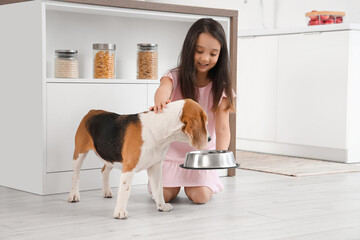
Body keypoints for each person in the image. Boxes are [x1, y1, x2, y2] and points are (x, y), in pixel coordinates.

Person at [150, 18, 235, 204]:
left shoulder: (221, 88)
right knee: (163, 195)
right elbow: (163, 89)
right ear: (190, 49)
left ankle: (199, 181)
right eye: (199, 51)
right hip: (171, 152)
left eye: (213, 54)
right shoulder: (175, 76)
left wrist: (218, 158)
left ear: (221, 55)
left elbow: (222, 129)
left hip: (201, 155)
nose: (205, 58)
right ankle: (170, 181)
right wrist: (161, 101)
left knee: (200, 197)